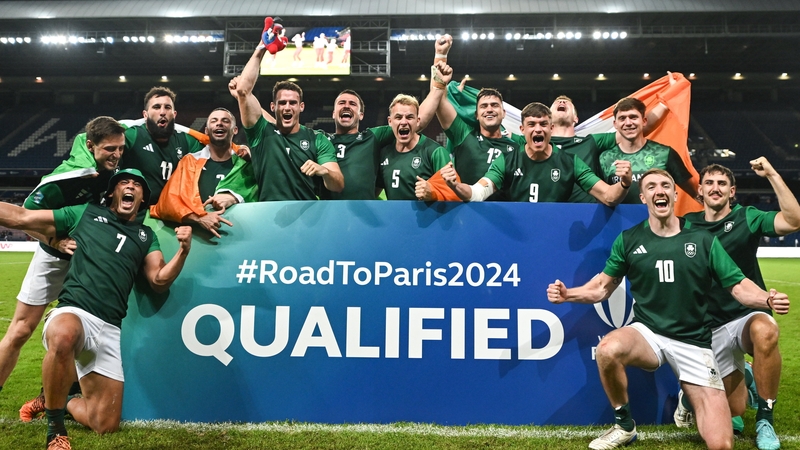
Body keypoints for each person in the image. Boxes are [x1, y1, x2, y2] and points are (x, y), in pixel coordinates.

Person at [546, 168, 790, 450]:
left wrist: (767, 300)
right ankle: (624, 425)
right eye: (651, 186)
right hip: (649, 333)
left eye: (665, 185)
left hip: (695, 341)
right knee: (608, 349)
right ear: (643, 197)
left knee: (722, 443)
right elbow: (602, 287)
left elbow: (739, 287)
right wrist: (569, 294)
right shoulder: (629, 239)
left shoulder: (703, 240)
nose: (659, 190)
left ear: (675, 195)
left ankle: (702, 393)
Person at [0, 168, 192, 450]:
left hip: (109, 329)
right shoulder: (84, 213)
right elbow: (22, 217)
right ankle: (56, 431)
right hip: (74, 312)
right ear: (113, 192)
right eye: (124, 182)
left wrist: (183, 251)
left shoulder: (144, 235)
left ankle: (61, 401)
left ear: (142, 199)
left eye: (137, 185)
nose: (130, 187)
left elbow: (159, 280)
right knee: (64, 335)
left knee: (105, 424)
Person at [674, 159, 800, 449]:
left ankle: (766, 419)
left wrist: (772, 173)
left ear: (732, 192)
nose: (715, 188)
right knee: (734, 413)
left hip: (746, 315)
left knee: (765, 331)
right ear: (700, 192)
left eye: (722, 183)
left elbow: (793, 221)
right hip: (709, 327)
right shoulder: (687, 226)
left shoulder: (748, 217)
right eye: (709, 183)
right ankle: (734, 380)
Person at [0, 117, 125, 402]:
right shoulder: (64, 180)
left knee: (87, 332)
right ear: (91, 146)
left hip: (92, 262)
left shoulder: (113, 170)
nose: (116, 155)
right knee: (20, 330)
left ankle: (60, 396)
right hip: (54, 258)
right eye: (109, 149)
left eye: (120, 148)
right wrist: (53, 240)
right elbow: (24, 218)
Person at [440, 102, 632, 205]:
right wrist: (456, 186)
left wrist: (624, 183)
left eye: (543, 124)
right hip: (516, 236)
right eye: (531, 124)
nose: (537, 129)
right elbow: (476, 193)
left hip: (555, 234)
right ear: (522, 130)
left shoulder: (570, 162)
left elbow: (608, 196)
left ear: (551, 128)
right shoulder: (506, 160)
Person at [229, 37, 344, 200]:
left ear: (301, 107)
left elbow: (337, 185)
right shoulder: (261, 133)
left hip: (306, 216)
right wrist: (261, 47)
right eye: (282, 103)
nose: (287, 107)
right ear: (273, 107)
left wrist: (324, 171)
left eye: (293, 103)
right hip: (268, 215)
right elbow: (243, 91)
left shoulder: (317, 139)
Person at [149, 108, 257, 237]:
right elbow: (167, 203)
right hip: (197, 242)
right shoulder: (189, 162)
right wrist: (200, 219)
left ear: (235, 130)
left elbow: (260, 192)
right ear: (206, 131)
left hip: (241, 236)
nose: (219, 124)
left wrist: (234, 197)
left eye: (225, 121)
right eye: (214, 121)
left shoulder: (246, 163)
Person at [598, 97, 697, 204]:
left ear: (644, 121)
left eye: (633, 117)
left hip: (657, 220)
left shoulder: (664, 153)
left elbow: (695, 193)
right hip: (619, 220)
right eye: (622, 118)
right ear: (615, 124)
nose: (628, 123)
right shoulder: (605, 158)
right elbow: (601, 198)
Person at [377, 94, 454, 201]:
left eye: (409, 117)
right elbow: (374, 193)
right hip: (394, 217)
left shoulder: (435, 152)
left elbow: (453, 196)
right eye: (398, 117)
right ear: (390, 121)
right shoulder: (384, 153)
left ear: (418, 121)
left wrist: (432, 194)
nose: (404, 122)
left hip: (427, 217)